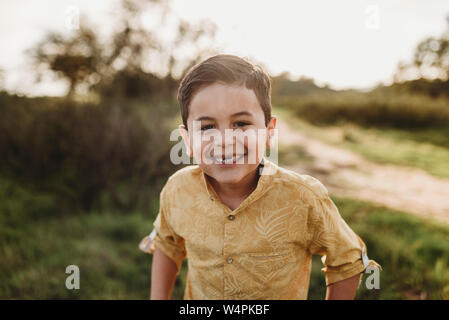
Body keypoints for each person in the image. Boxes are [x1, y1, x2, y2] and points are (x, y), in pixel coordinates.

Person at [139, 54, 381, 300]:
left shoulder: (303, 197)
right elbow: (167, 244)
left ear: (269, 132)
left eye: (242, 123)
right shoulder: (178, 189)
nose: (225, 141)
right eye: (207, 127)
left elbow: (347, 259)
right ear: (188, 140)